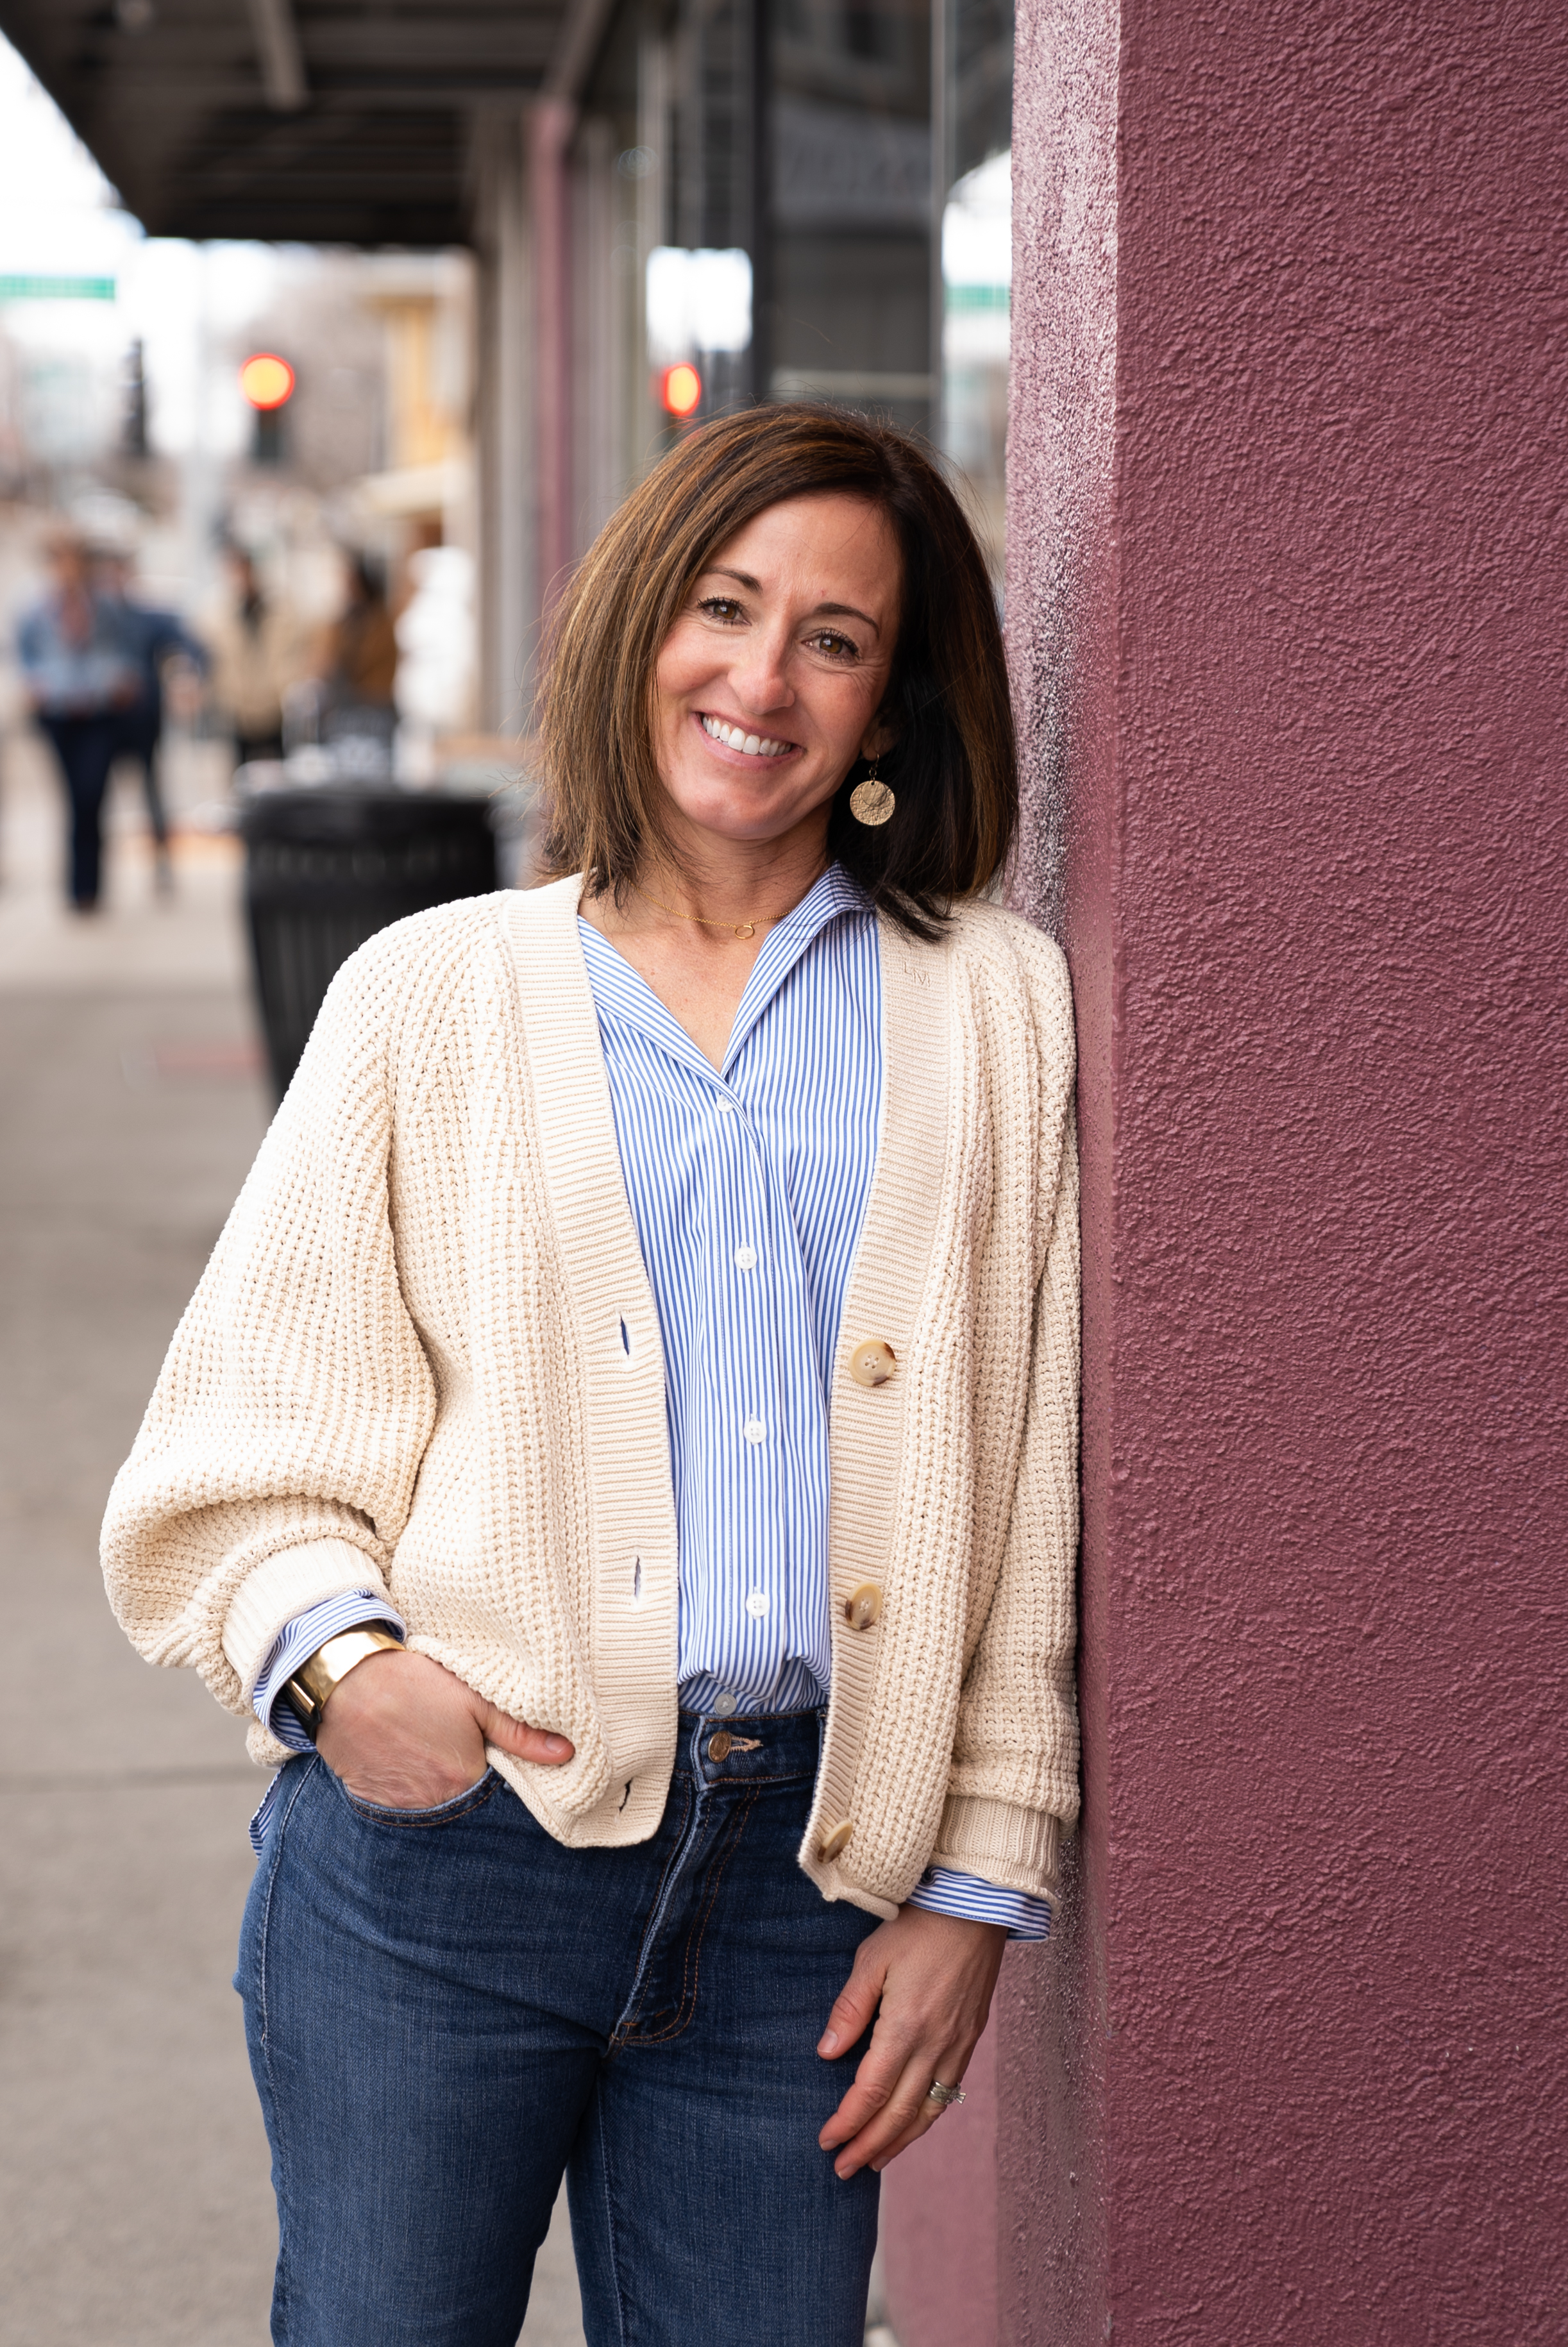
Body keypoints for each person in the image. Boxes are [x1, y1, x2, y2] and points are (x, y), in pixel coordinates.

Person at [102, 405, 1080, 2347]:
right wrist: (343, 1668)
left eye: (833, 637)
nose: (760, 675)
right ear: (642, 628)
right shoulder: (432, 991)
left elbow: (1029, 1461)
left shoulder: (989, 1002)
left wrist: (977, 1872)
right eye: (722, 607)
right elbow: (242, 1440)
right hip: (445, 1868)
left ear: (889, 708)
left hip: (809, 1882)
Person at [16, 532, 140, 911]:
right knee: (73, 798)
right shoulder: (37, 612)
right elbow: (25, 656)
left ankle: (93, 883)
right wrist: (35, 684)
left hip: (100, 711)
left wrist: (122, 679)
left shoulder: (106, 608)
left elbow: (128, 650)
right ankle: (77, 889)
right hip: (59, 711)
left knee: (93, 794)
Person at [97, 550, 209, 897]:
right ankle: (96, 876)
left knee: (153, 793)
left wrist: (187, 674)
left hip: (144, 721)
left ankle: (162, 863)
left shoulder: (148, 618)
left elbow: (192, 646)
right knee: (96, 798)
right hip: (102, 722)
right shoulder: (94, 620)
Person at [205, 547, 301, 770]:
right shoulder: (218, 614)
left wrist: (289, 685)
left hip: (273, 706)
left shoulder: (280, 610)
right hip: (240, 709)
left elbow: (295, 650)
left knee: (280, 771)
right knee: (241, 772)